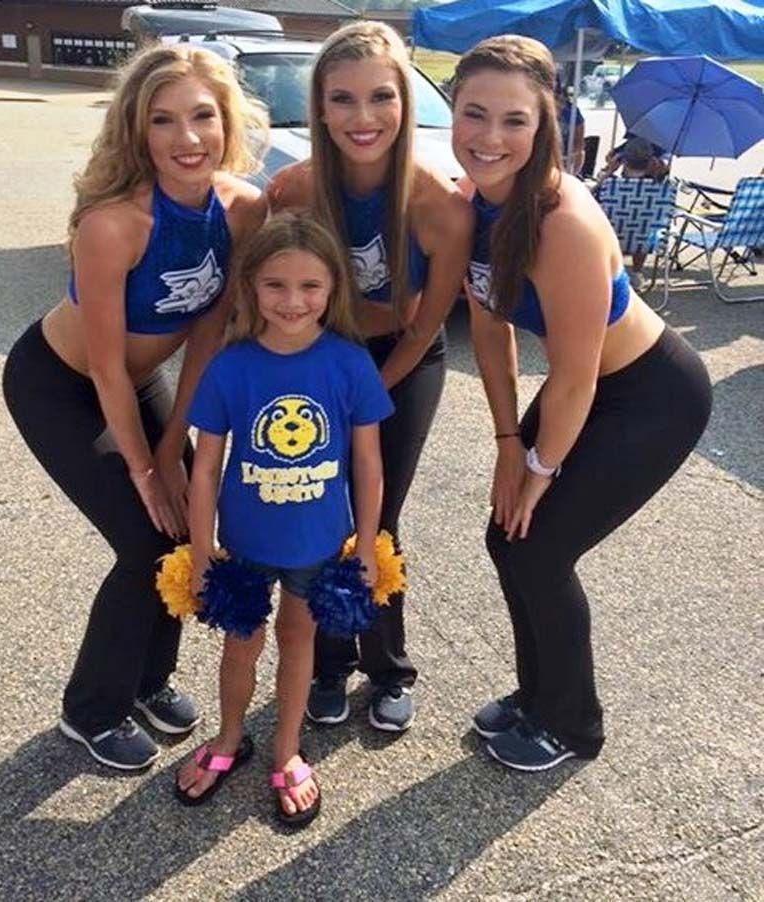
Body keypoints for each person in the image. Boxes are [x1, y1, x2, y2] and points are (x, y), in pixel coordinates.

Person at [2, 45, 267, 770]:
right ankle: (91, 711)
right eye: (163, 120)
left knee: (186, 527)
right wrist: (148, 469)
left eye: (203, 116)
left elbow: (208, 335)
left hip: (142, 381)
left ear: (227, 120)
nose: (187, 138)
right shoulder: (114, 224)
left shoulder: (243, 209)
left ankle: (150, 681)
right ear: (137, 131)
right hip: (62, 385)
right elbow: (108, 370)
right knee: (144, 536)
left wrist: (177, 447)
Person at [451, 35, 712, 771]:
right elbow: (488, 330)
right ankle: (537, 695)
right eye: (475, 114)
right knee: (507, 538)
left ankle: (573, 725)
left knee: (539, 548)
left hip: (649, 396)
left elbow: (574, 377)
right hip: (587, 389)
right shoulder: (471, 203)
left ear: (544, 127)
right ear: (455, 115)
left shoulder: (563, 220)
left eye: (514, 121)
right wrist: (507, 442)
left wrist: (538, 466)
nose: (491, 137)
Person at [268, 21, 472, 733]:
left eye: (381, 97)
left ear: (406, 102)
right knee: (320, 514)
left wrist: (371, 394)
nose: (363, 118)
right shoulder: (292, 190)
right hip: (320, 362)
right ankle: (328, 665)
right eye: (343, 100)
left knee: (375, 517)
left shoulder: (438, 205)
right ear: (320, 108)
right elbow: (266, 297)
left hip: (403, 362)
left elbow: (428, 325)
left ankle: (389, 667)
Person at [175, 213, 393, 826]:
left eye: (310, 287)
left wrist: (368, 546)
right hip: (244, 544)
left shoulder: (349, 364)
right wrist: (201, 548)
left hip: (319, 546)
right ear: (250, 288)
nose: (293, 301)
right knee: (241, 645)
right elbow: (205, 469)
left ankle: (286, 746)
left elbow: (369, 465)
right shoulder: (231, 366)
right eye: (275, 286)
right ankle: (227, 740)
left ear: (332, 290)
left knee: (299, 640)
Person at [594, 135, 672, 290]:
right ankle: (637, 271)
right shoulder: (661, 189)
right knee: (645, 225)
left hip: (612, 238)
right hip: (643, 242)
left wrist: (609, 171)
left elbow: (591, 197)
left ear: (623, 161)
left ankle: (611, 269)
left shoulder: (610, 185)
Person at [555, 77, 584, 175]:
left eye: (561, 100)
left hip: (568, 145)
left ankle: (573, 176)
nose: (560, 105)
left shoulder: (572, 112)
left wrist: (575, 151)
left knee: (580, 153)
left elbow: (579, 140)